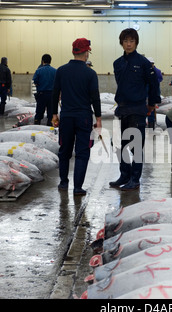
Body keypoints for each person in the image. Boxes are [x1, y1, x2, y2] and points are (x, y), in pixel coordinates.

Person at [109, 28, 161, 191]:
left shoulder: (144, 63)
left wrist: (152, 104)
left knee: (136, 146)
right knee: (120, 145)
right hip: (122, 109)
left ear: (136, 43)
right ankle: (124, 175)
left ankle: (135, 179)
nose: (128, 44)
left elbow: (154, 84)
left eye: (131, 41)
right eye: (125, 41)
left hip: (137, 109)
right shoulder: (117, 63)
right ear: (121, 43)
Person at [51, 38, 102, 196]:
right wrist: (98, 119)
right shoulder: (90, 73)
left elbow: (54, 94)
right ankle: (78, 187)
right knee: (82, 152)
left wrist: (54, 114)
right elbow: (95, 97)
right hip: (84, 117)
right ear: (86, 52)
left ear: (73, 52)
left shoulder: (61, 70)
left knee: (64, 150)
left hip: (66, 116)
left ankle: (63, 183)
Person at [32, 54, 56, 126]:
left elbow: (35, 81)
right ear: (50, 61)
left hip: (41, 95)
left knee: (39, 113)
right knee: (51, 113)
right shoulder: (55, 71)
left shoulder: (39, 71)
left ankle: (37, 126)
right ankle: (49, 128)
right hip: (52, 95)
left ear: (42, 61)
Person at [147, 57, 162, 129]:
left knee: (151, 109)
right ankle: (149, 124)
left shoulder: (157, 71)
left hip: (152, 93)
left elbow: (159, 80)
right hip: (147, 93)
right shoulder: (144, 71)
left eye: (151, 64)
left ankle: (151, 124)